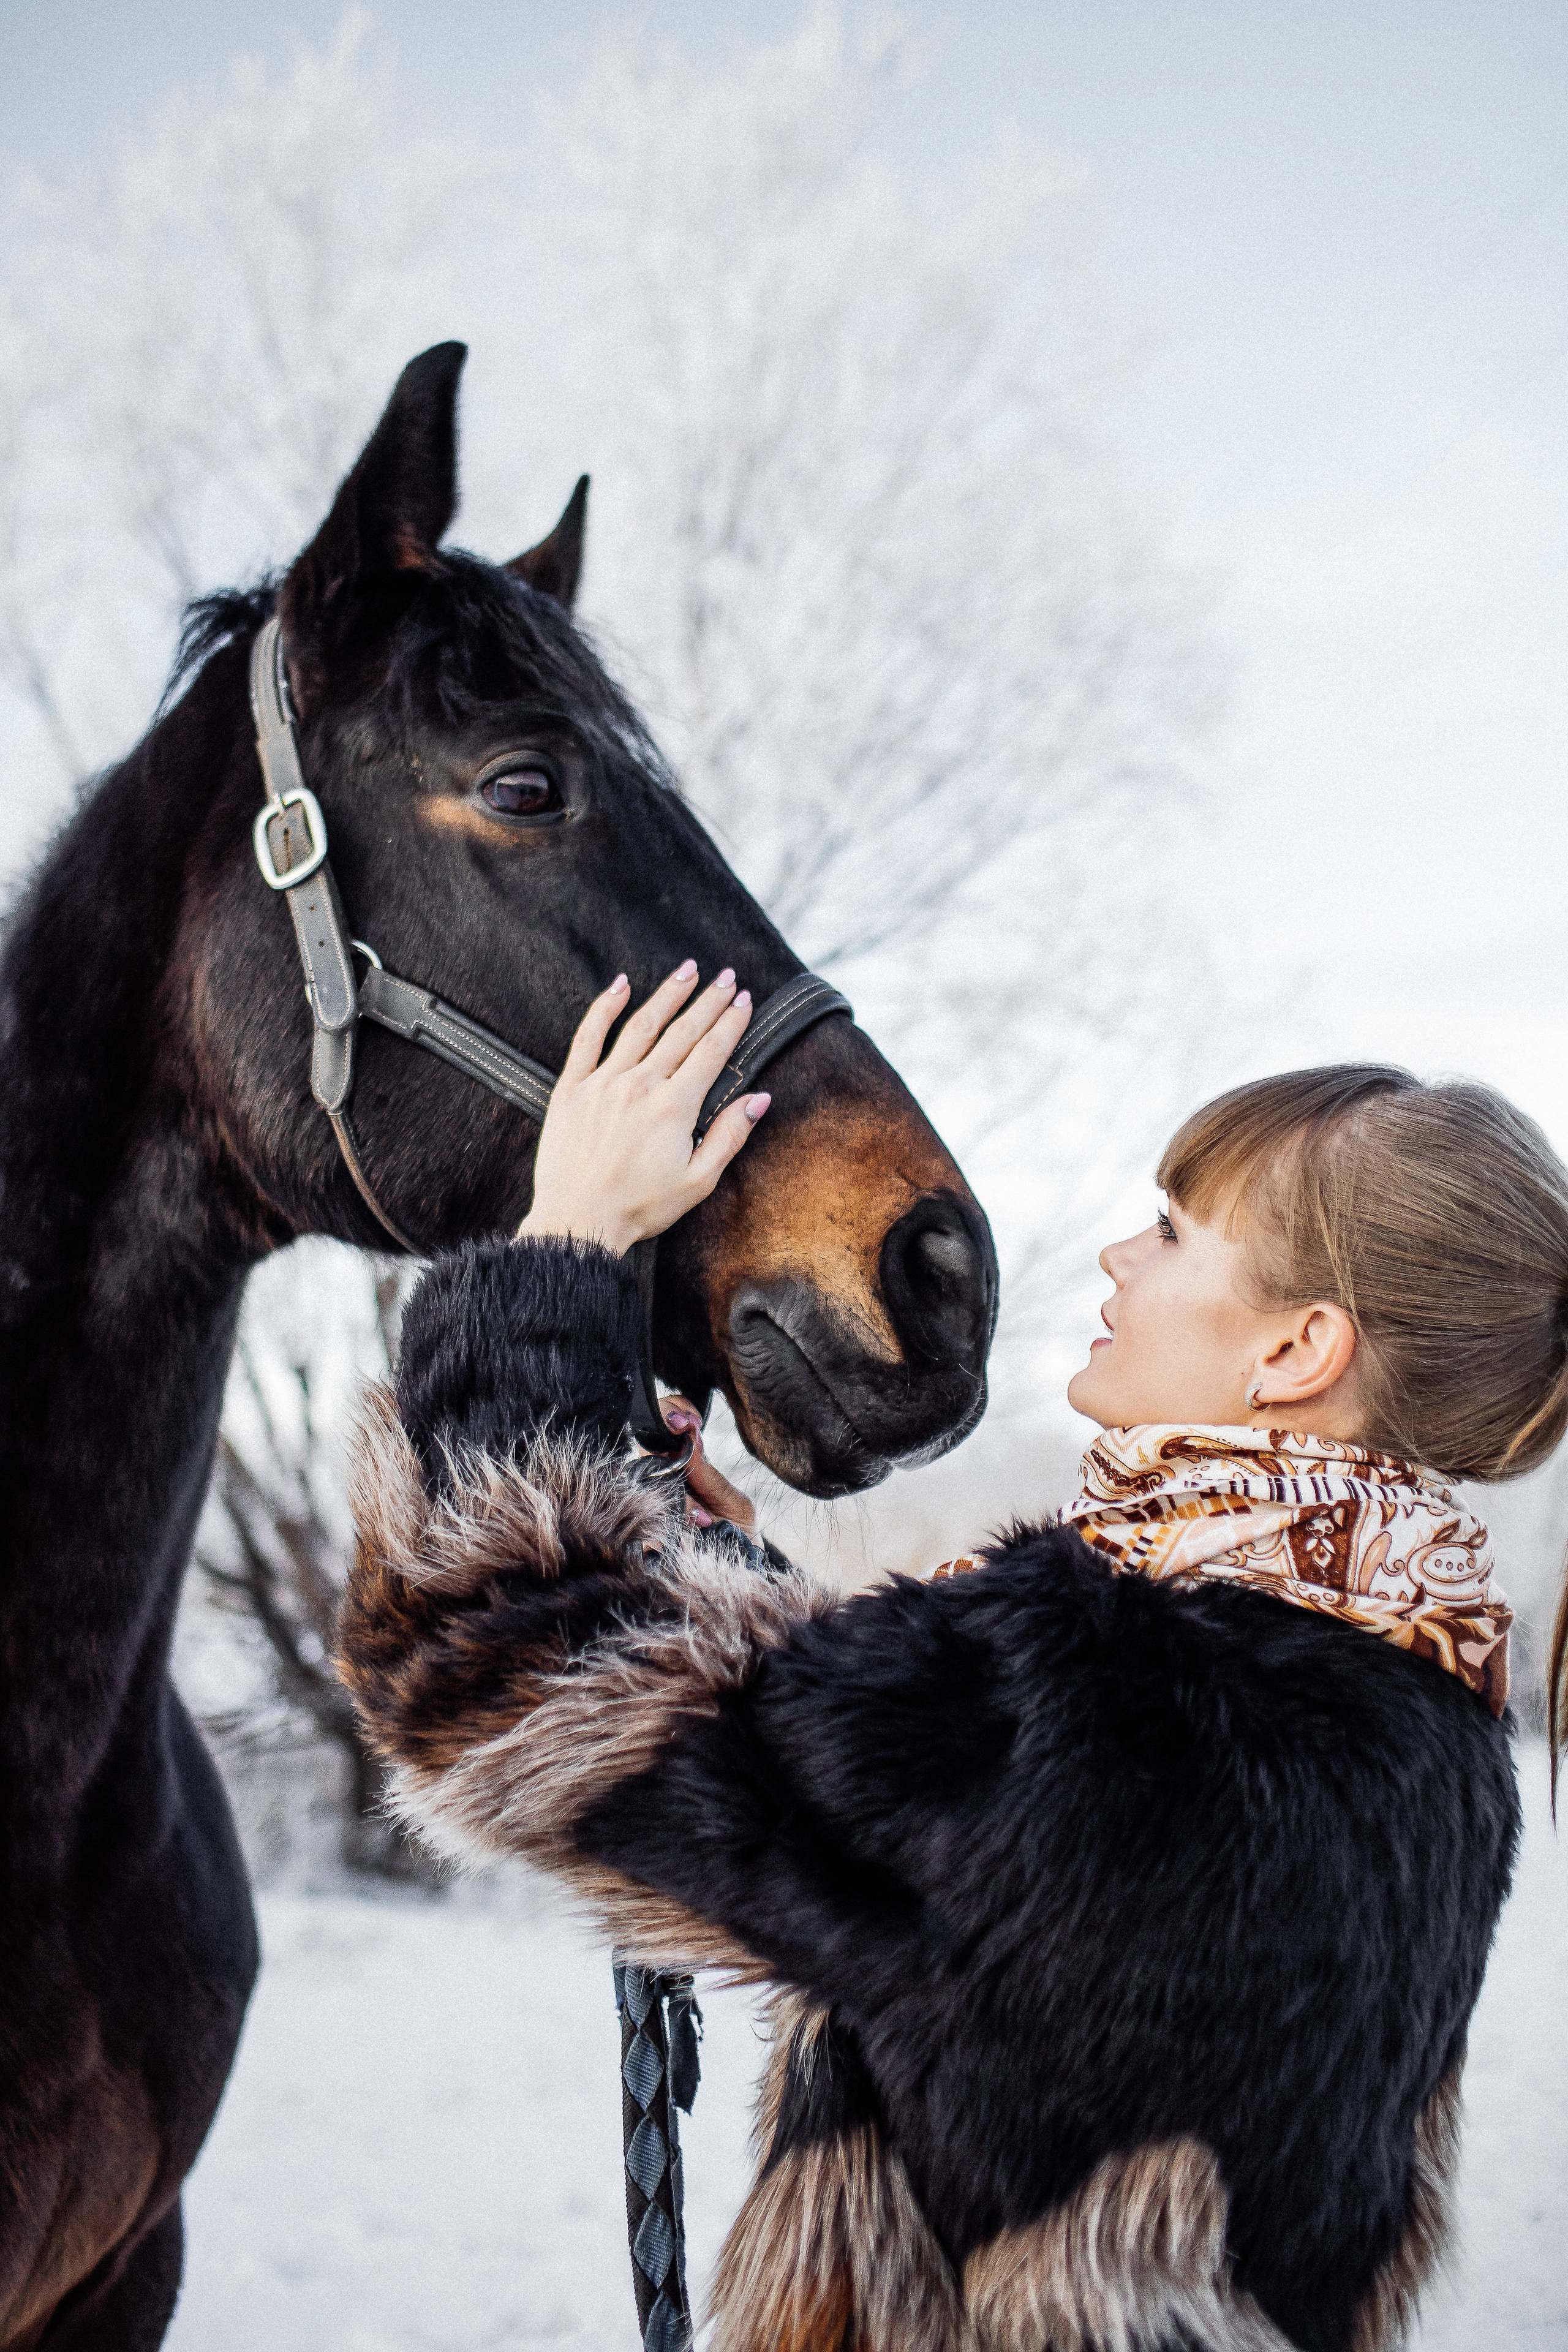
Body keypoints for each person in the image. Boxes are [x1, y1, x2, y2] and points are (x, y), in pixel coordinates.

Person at [337, 963, 1559, 2352]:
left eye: (1171, 1232)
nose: (1117, 1259)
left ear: (1295, 1348)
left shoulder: (1109, 1695)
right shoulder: (1416, 1717)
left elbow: (480, 1666)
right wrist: (716, 1578)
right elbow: (965, 1874)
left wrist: (560, 1247)